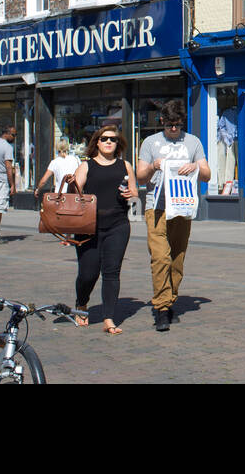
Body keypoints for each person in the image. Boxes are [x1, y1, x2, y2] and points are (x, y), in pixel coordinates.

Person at [136, 99, 209, 332]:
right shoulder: (150, 142)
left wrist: (195, 167)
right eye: (169, 125)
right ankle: (161, 308)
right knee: (160, 257)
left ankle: (171, 299)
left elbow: (207, 174)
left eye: (177, 125)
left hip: (182, 206)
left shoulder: (193, 142)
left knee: (177, 259)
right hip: (156, 206)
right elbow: (139, 176)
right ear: (162, 122)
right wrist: (153, 166)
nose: (174, 130)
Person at [72, 125, 137, 334]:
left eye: (113, 139)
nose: (109, 142)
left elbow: (134, 191)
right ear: (97, 143)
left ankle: (109, 318)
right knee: (88, 273)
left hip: (118, 224)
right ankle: (81, 304)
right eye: (104, 138)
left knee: (112, 272)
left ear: (118, 144)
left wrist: (131, 194)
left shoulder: (125, 165)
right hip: (89, 226)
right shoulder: (86, 166)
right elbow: (76, 192)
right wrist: (72, 183)